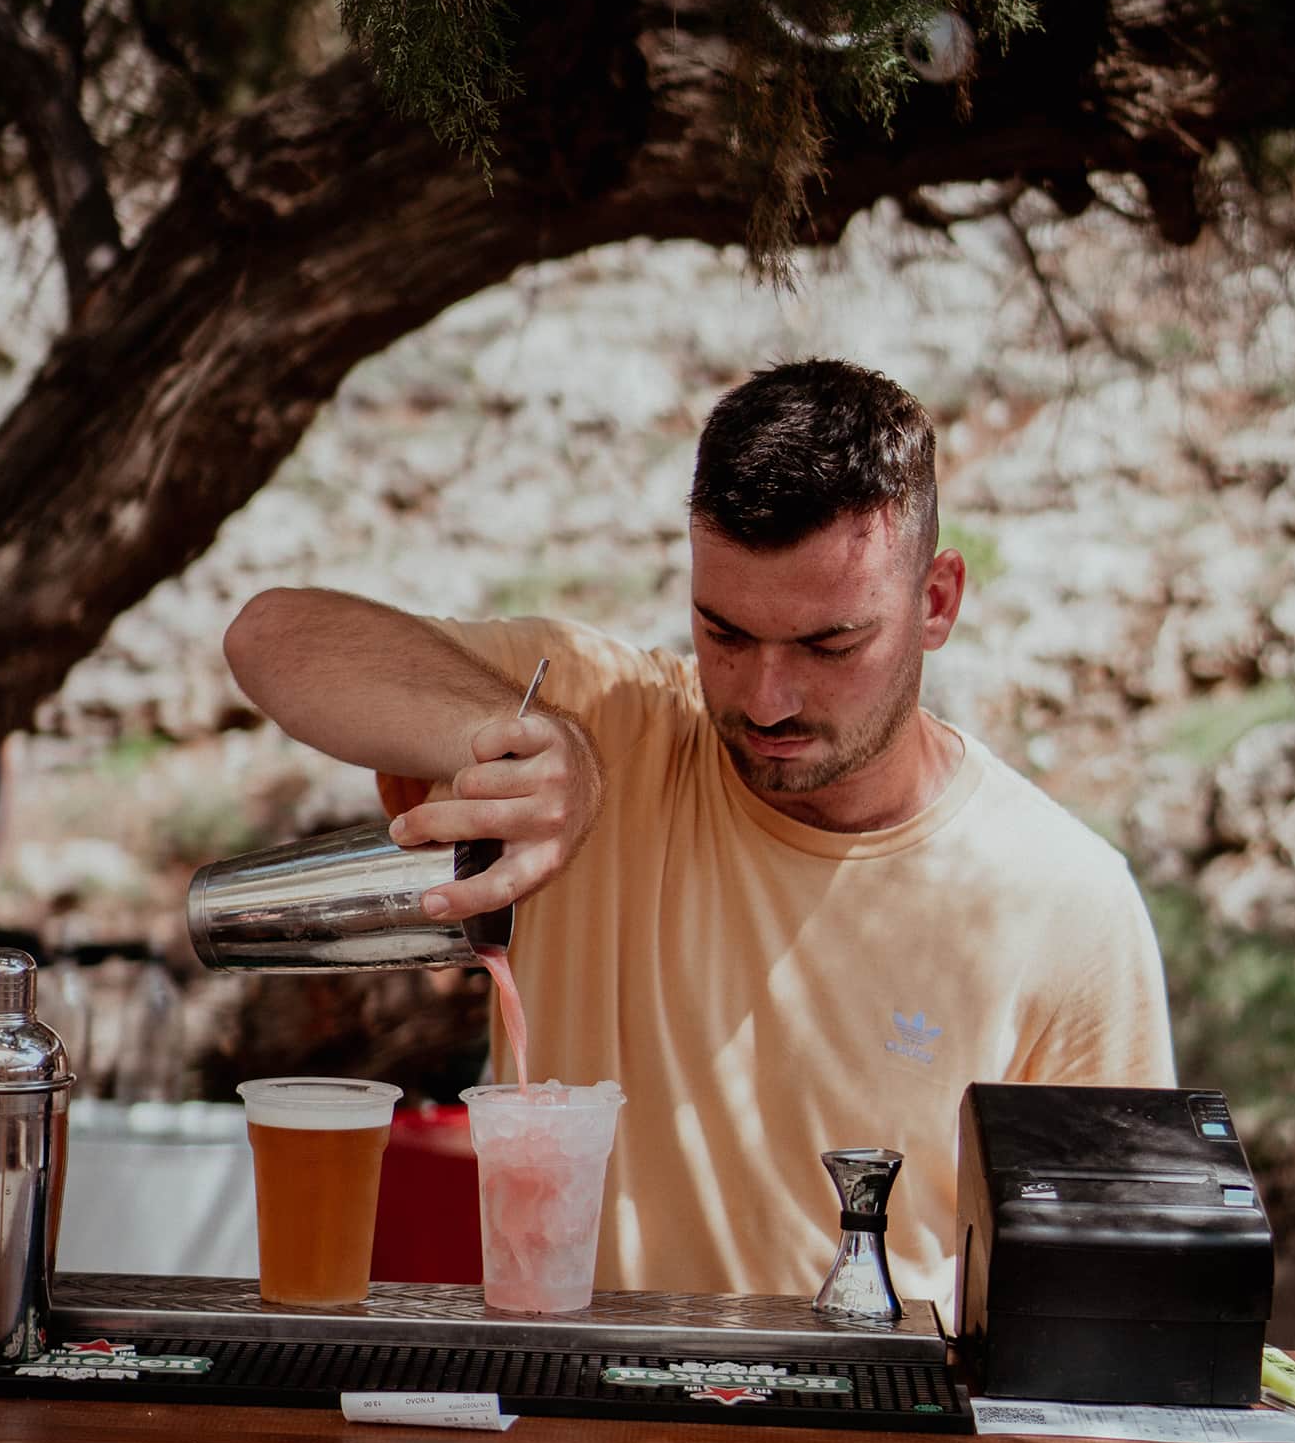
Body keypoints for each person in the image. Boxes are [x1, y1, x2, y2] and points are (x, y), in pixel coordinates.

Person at [224, 358, 1174, 1322]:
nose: (766, 699)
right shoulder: (611, 718)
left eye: (828, 646)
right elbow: (272, 635)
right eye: (723, 633)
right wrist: (545, 748)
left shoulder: (1065, 901)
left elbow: (1115, 1294)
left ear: (936, 601)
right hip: (568, 1435)